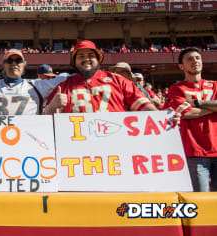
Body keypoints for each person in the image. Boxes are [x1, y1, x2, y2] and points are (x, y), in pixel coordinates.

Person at [45, 40, 157, 114]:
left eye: (91, 55)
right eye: (81, 56)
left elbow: (146, 108)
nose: (86, 59)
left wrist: (166, 120)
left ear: (98, 60)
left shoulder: (118, 81)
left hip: (116, 145)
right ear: (74, 62)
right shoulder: (63, 87)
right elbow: (46, 121)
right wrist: (52, 106)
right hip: (78, 147)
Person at [168, 47, 217, 192]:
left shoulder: (215, 85)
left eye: (197, 58)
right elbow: (186, 113)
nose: (195, 61)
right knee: (200, 198)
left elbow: (191, 110)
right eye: (190, 59)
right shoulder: (176, 89)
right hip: (195, 152)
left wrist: (198, 103)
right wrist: (212, 107)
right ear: (181, 66)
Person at [0, 49, 67, 115]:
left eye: (18, 60)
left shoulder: (37, 86)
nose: (14, 63)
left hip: (28, 140)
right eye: (9, 61)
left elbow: (66, 77)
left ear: (24, 65)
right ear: (3, 65)